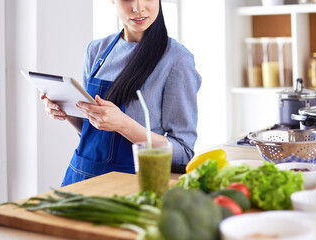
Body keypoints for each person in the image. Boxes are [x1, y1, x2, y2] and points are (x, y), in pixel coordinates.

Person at [40, 0, 201, 186]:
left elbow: (183, 152)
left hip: (134, 184)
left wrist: (123, 124)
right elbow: (91, 133)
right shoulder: (96, 50)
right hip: (82, 178)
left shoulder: (177, 60)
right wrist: (66, 109)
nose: (138, 7)